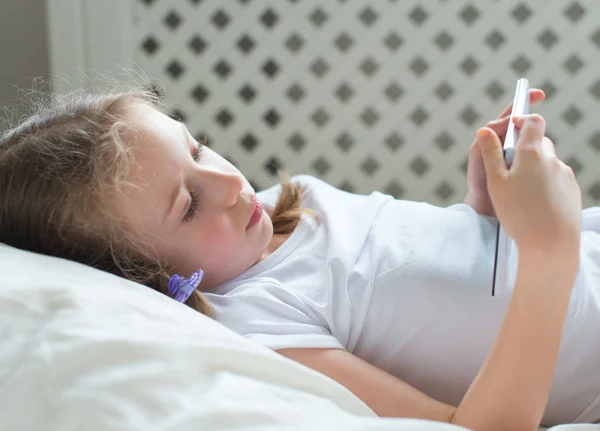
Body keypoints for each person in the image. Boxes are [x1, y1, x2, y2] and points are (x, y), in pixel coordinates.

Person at [0, 84, 593, 431]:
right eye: (188, 205)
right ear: (148, 277)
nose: (230, 184)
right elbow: (473, 428)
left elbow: (423, 292)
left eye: (197, 147)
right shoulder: (261, 321)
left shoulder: (295, 203)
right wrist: (548, 248)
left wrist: (482, 212)